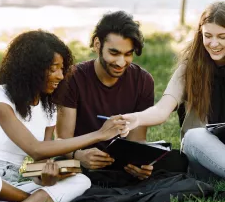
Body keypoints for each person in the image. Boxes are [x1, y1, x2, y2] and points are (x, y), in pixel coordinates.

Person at [0, 30, 128, 202]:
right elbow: (34, 148)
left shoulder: (48, 108)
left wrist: (47, 177)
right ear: (31, 69)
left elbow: (39, 163)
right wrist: (99, 135)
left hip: (10, 185)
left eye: (62, 68)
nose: (60, 75)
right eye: (53, 69)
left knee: (81, 181)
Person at [121, 2, 225, 202]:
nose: (213, 43)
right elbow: (162, 110)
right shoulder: (190, 67)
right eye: (208, 36)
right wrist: (135, 118)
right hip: (201, 156)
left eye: (222, 37)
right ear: (200, 34)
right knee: (194, 134)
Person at [52, 11, 160, 183]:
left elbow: (137, 139)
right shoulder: (73, 78)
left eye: (128, 54)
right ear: (97, 44)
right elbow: (63, 140)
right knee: (61, 170)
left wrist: (139, 164)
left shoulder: (143, 81)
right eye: (114, 53)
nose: (121, 62)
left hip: (119, 166)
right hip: (79, 163)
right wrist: (78, 155)